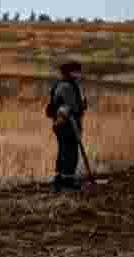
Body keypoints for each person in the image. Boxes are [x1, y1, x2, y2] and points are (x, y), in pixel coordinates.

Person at [48, 61, 88, 193]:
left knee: (64, 151)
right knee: (71, 153)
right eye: (76, 71)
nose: (79, 74)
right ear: (70, 72)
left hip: (60, 124)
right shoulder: (67, 87)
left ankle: (59, 179)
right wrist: (82, 106)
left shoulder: (62, 85)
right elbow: (75, 108)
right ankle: (68, 182)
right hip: (67, 124)